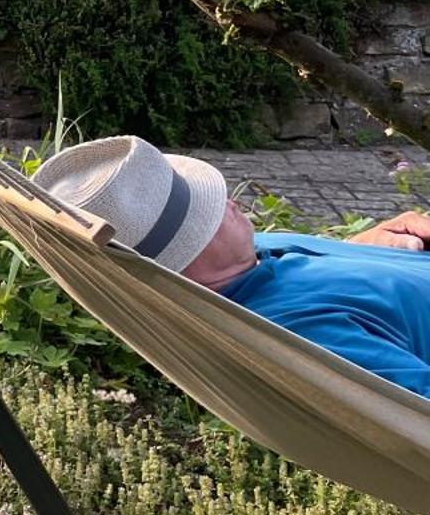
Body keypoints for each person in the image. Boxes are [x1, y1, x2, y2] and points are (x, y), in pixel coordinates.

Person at [34, 136, 430, 399]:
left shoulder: (248, 265)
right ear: (184, 258)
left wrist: (363, 254)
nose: (231, 201)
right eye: (208, 211)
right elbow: (417, 411)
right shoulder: (297, 333)